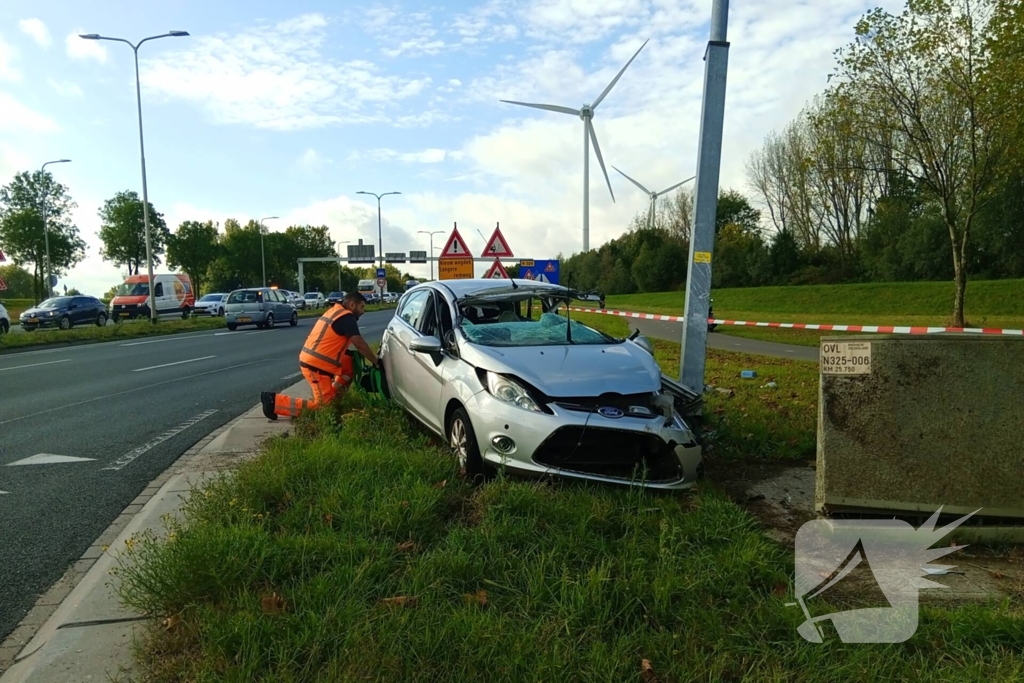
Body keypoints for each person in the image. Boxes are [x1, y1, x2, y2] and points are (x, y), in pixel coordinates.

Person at [261, 291, 381, 420]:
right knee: (324, 408)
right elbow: (359, 344)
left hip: (316, 359)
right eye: (361, 307)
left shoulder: (336, 312)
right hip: (317, 366)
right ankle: (274, 402)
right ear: (352, 304)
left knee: (349, 363)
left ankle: (333, 396)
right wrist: (376, 362)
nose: (363, 311)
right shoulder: (347, 318)